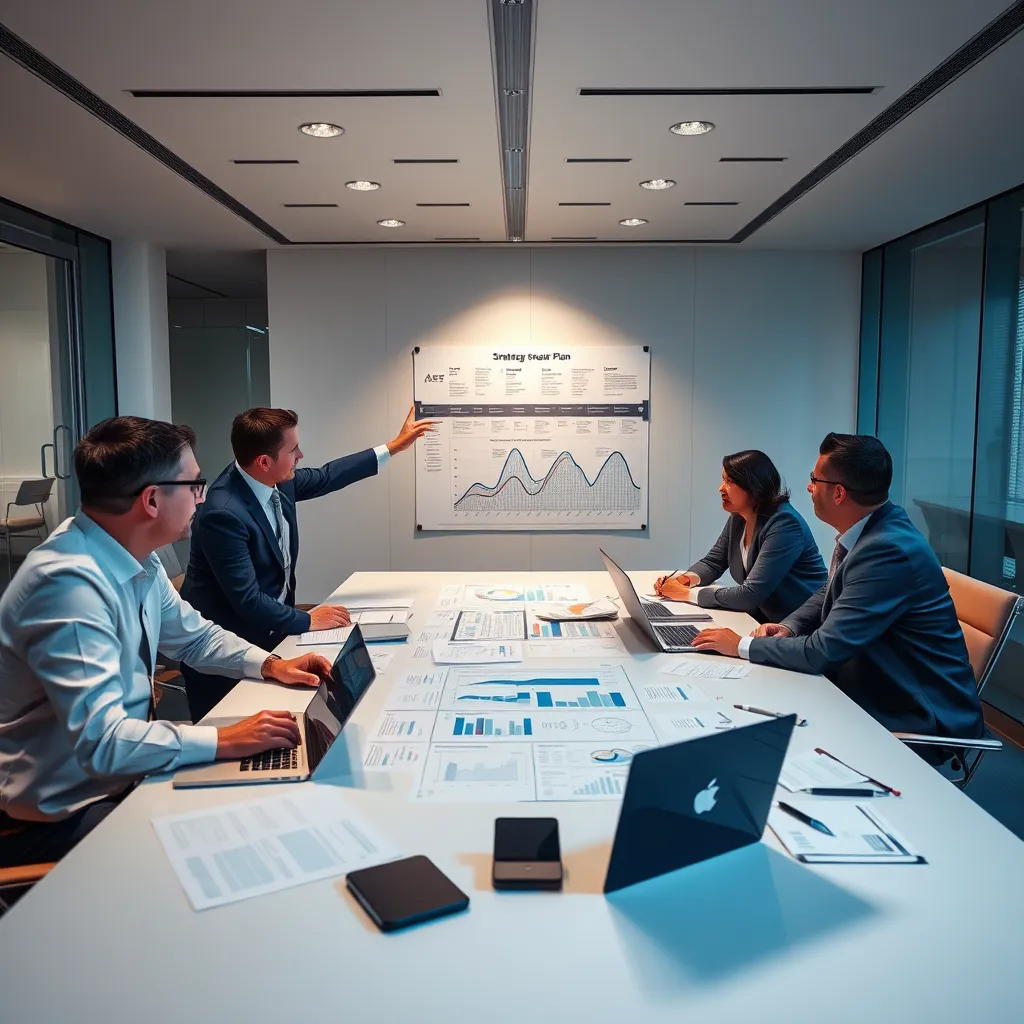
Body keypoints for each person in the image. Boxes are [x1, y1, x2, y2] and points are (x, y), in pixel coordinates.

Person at [0, 417, 333, 868]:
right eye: (194, 483)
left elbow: (194, 638)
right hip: (60, 815)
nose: (203, 495)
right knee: (233, 852)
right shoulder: (67, 586)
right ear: (152, 499)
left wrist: (270, 665)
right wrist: (220, 740)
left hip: (121, 780)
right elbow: (104, 744)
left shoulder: (137, 557)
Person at [690, 433, 984, 741]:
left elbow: (822, 652)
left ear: (839, 493)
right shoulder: (872, 529)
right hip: (866, 682)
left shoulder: (887, 550)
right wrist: (789, 627)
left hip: (914, 714)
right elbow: (828, 591)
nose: (808, 487)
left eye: (815, 480)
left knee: (748, 729)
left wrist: (739, 646)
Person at [180, 404, 435, 722]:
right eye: (293, 449)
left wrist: (395, 447)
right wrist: (307, 620)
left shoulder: (277, 481)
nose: (300, 456)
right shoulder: (223, 512)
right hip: (226, 659)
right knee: (231, 746)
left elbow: (330, 475)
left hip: (272, 640)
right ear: (264, 461)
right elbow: (248, 601)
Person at [654, 450, 826, 623]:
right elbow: (713, 562)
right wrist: (683, 581)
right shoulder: (739, 517)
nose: (720, 488)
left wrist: (687, 594)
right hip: (766, 620)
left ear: (754, 486)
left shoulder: (784, 523)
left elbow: (751, 594)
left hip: (802, 626)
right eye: (723, 479)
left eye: (729, 481)